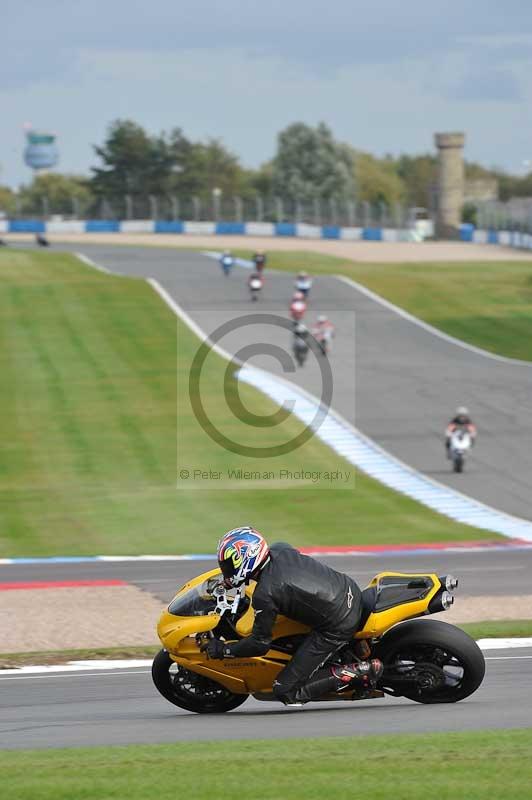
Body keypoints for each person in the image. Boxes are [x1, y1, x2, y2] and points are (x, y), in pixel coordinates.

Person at [201, 527, 383, 706]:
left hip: (339, 623)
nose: (226, 570)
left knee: (286, 690)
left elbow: (259, 644)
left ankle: (362, 671)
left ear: (246, 560)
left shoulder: (265, 595)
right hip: (348, 589)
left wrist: (225, 650)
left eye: (229, 565)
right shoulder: (280, 549)